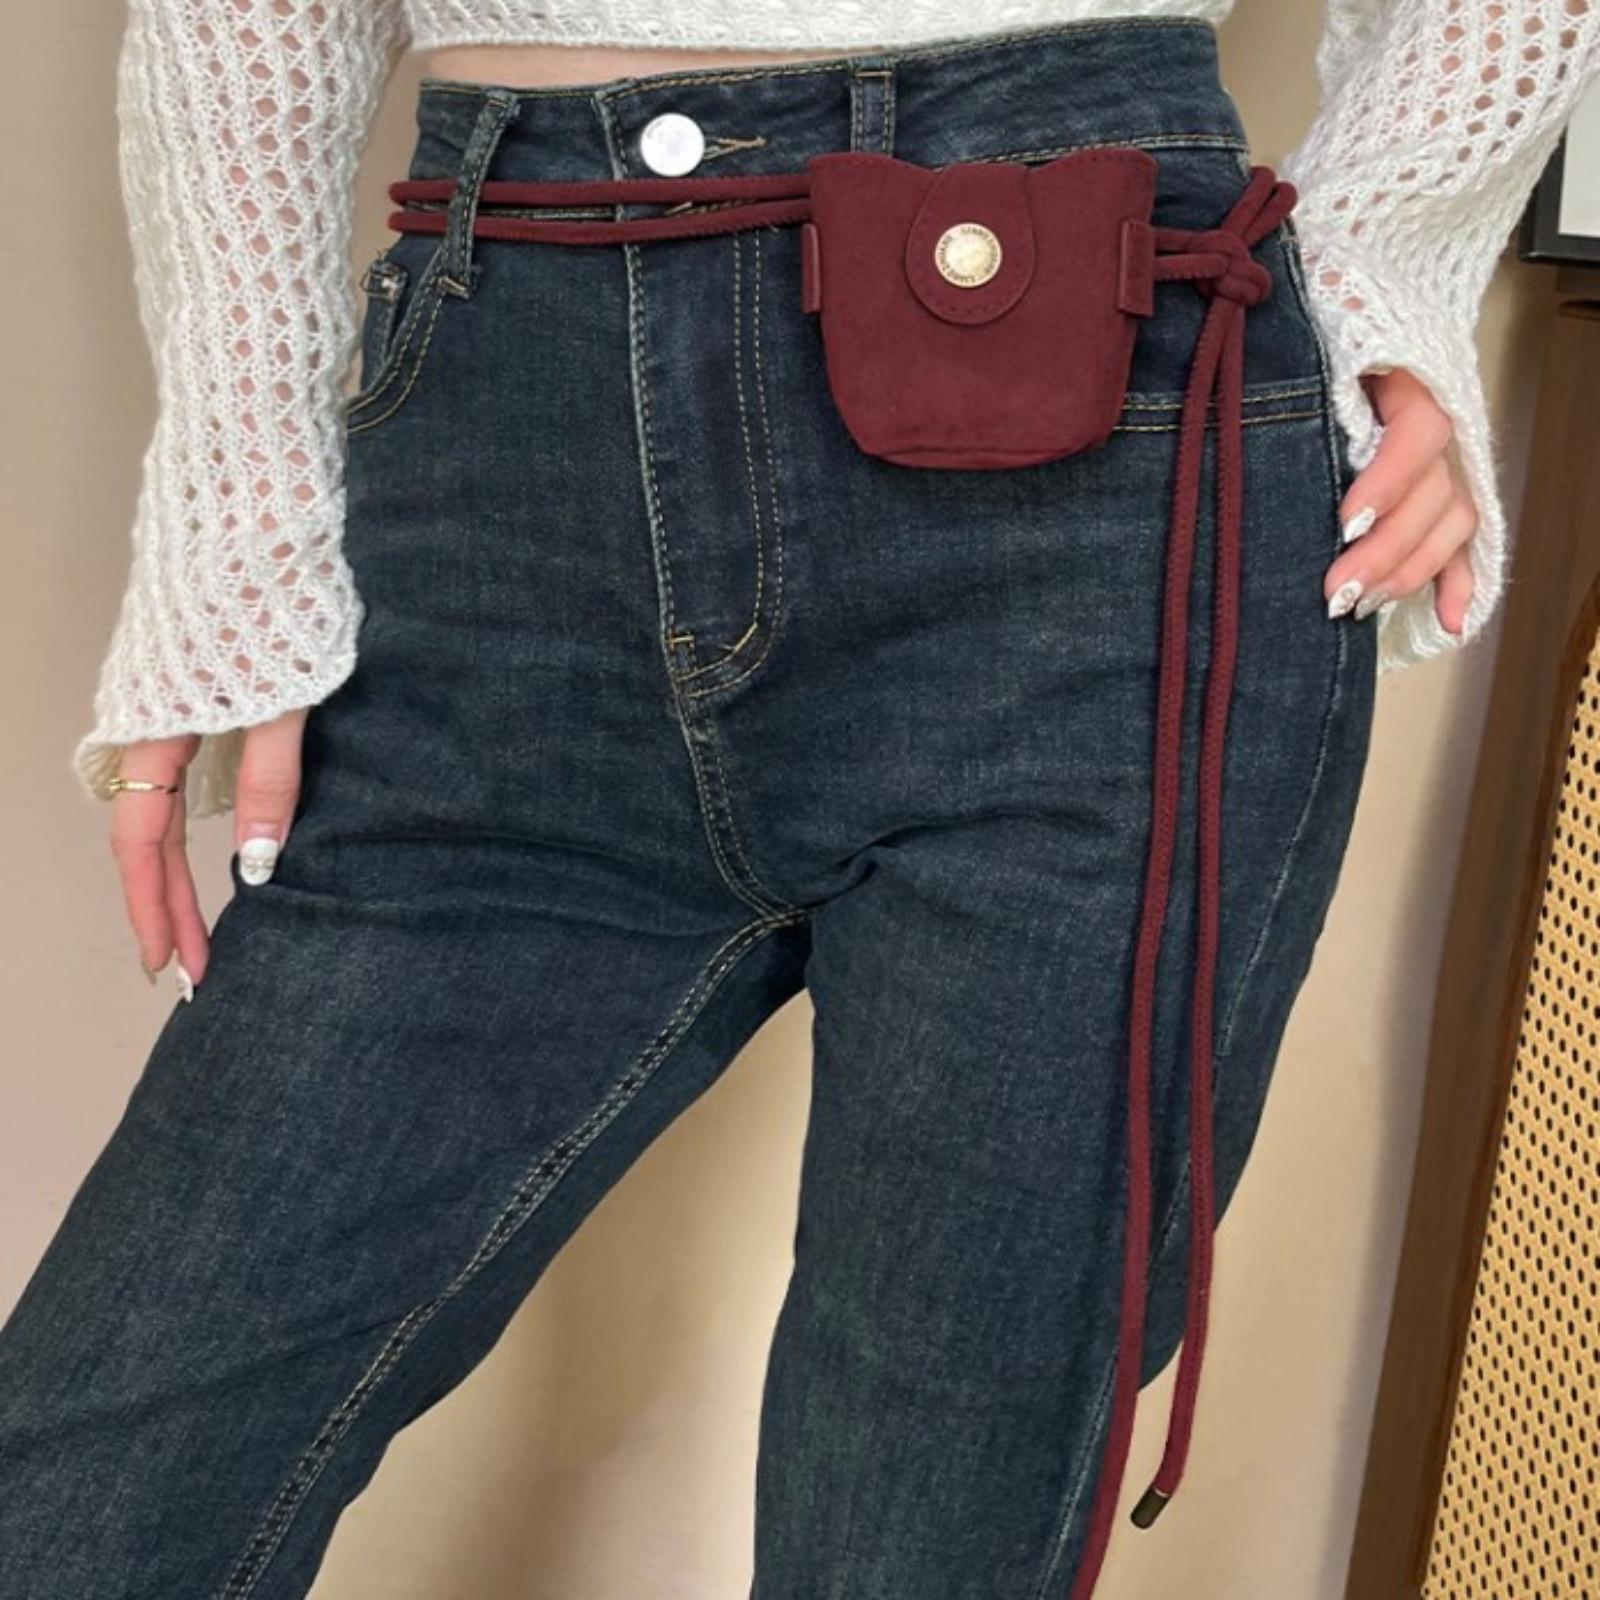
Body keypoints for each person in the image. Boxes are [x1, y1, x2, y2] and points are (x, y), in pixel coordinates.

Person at [3, 4, 1597, 1598]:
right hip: (510, 452)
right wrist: (238, 531)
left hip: (1100, 456)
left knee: (925, 1526)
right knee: (93, 1482)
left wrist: (1384, 258)